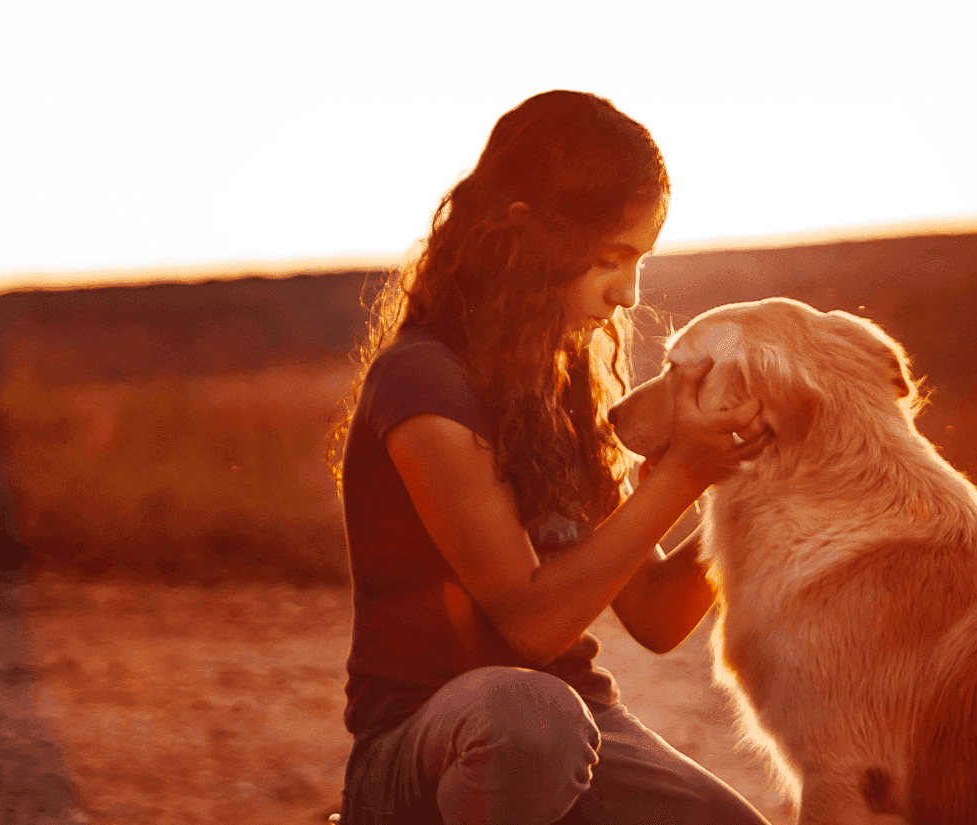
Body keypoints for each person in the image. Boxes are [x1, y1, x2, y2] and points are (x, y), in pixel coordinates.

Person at [328, 90, 772, 825]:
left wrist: (749, 487)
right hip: (431, 742)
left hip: (580, 736)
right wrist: (683, 474)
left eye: (641, 261)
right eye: (611, 257)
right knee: (531, 720)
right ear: (526, 237)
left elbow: (657, 615)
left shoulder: (557, 386)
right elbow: (533, 623)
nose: (628, 293)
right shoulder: (423, 382)